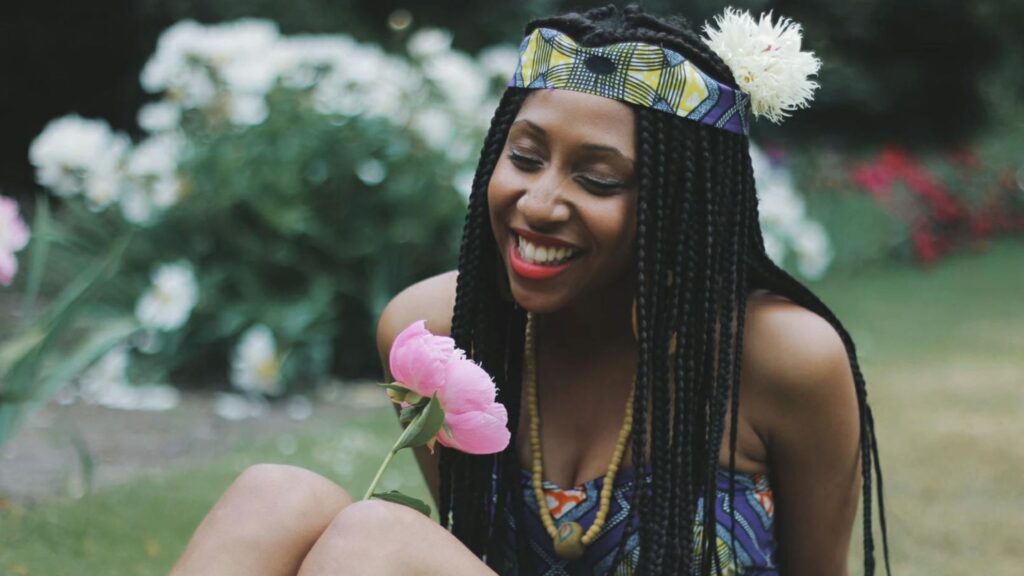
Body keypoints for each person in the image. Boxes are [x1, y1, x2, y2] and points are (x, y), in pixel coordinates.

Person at [169, 4, 889, 575]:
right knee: (276, 495)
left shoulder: (782, 356)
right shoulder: (437, 333)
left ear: (680, 210)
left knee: (376, 539)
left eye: (597, 179)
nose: (538, 203)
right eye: (525, 157)